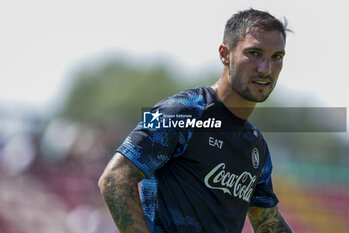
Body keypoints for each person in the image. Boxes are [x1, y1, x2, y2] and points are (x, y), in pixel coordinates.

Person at [98, 8, 293, 233]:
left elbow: (268, 223)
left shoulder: (256, 145)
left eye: (276, 57)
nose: (266, 69)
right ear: (225, 54)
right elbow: (114, 179)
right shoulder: (182, 112)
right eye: (254, 53)